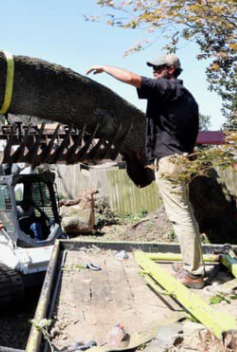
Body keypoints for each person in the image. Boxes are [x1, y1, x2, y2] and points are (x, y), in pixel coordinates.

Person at [86, 53, 205, 288]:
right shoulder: (186, 97)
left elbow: (132, 78)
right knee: (186, 214)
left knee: (180, 217)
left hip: (170, 161)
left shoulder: (167, 87)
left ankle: (194, 274)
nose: (153, 70)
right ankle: (193, 267)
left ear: (171, 70)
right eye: (152, 67)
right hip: (180, 158)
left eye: (158, 67)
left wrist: (104, 66)